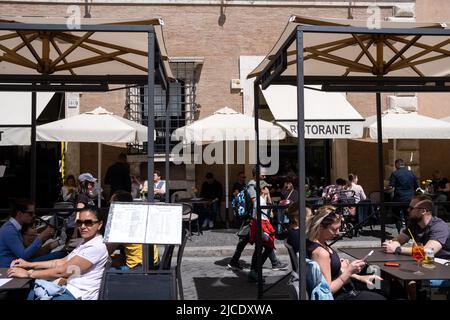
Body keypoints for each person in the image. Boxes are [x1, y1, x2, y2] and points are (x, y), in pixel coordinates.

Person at [8, 205, 109, 300]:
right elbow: (60, 262)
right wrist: (29, 265)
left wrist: (29, 274)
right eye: (79, 222)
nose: (82, 226)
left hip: (75, 295)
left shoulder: (96, 247)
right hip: (65, 289)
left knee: (24, 292)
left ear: (99, 224)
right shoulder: (86, 242)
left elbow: (62, 271)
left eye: (88, 222)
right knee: (23, 292)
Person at [306, 205, 385, 300]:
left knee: (384, 287)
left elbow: (332, 272)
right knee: (382, 295)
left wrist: (360, 277)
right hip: (341, 295)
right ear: (321, 227)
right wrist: (349, 271)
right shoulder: (320, 253)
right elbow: (327, 290)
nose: (338, 232)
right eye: (335, 229)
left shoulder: (318, 243)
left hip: (346, 288)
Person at [228, 167, 287, 272]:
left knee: (248, 240)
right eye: (262, 175)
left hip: (254, 218)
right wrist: (265, 194)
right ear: (256, 175)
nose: (265, 176)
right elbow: (256, 202)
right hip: (254, 218)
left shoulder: (257, 185)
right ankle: (270, 264)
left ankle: (234, 261)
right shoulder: (252, 186)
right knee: (263, 240)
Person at [382, 195, 450, 259]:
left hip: (443, 264)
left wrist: (398, 249)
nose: (408, 210)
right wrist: (391, 244)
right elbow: (399, 240)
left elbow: (429, 251)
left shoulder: (439, 227)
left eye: (411, 208)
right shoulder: (415, 224)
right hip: (423, 262)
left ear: (423, 211)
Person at [107, 190, 159, 270]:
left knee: (104, 270)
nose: (110, 208)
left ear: (118, 206)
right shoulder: (138, 218)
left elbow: (107, 251)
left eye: (111, 204)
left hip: (138, 267)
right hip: (154, 262)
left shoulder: (122, 223)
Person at [0, 198, 55, 267]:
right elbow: (23, 255)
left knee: (56, 256)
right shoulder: (9, 230)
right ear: (19, 214)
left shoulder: (13, 227)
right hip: (8, 268)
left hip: (15, 265)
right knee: (59, 255)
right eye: (30, 213)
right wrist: (41, 237)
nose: (33, 215)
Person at [385, 159, 419, 234]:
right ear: (404, 165)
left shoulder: (395, 174)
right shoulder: (411, 173)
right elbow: (417, 187)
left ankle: (399, 231)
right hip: (410, 199)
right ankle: (409, 234)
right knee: (408, 216)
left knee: (396, 214)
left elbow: (391, 187)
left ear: (397, 165)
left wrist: (385, 189)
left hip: (399, 198)